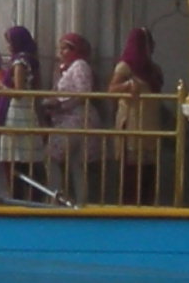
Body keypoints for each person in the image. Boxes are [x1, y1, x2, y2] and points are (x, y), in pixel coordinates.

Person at [109, 28, 164, 204]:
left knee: (148, 169)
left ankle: (147, 204)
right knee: (132, 170)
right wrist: (127, 86)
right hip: (132, 122)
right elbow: (111, 89)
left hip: (149, 122)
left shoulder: (154, 69)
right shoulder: (126, 66)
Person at [0, 25, 47, 199]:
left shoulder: (19, 62)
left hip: (17, 114)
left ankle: (20, 198)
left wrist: (0, 86)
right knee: (29, 158)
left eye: (10, 42)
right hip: (28, 111)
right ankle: (35, 198)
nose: (9, 46)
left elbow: (18, 91)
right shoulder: (31, 60)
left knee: (18, 159)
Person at [48, 33, 96, 202]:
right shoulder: (66, 67)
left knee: (53, 157)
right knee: (75, 163)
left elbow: (83, 93)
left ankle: (56, 196)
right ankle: (77, 199)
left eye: (65, 48)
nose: (61, 52)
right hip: (67, 118)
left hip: (74, 119)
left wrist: (61, 104)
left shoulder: (80, 66)